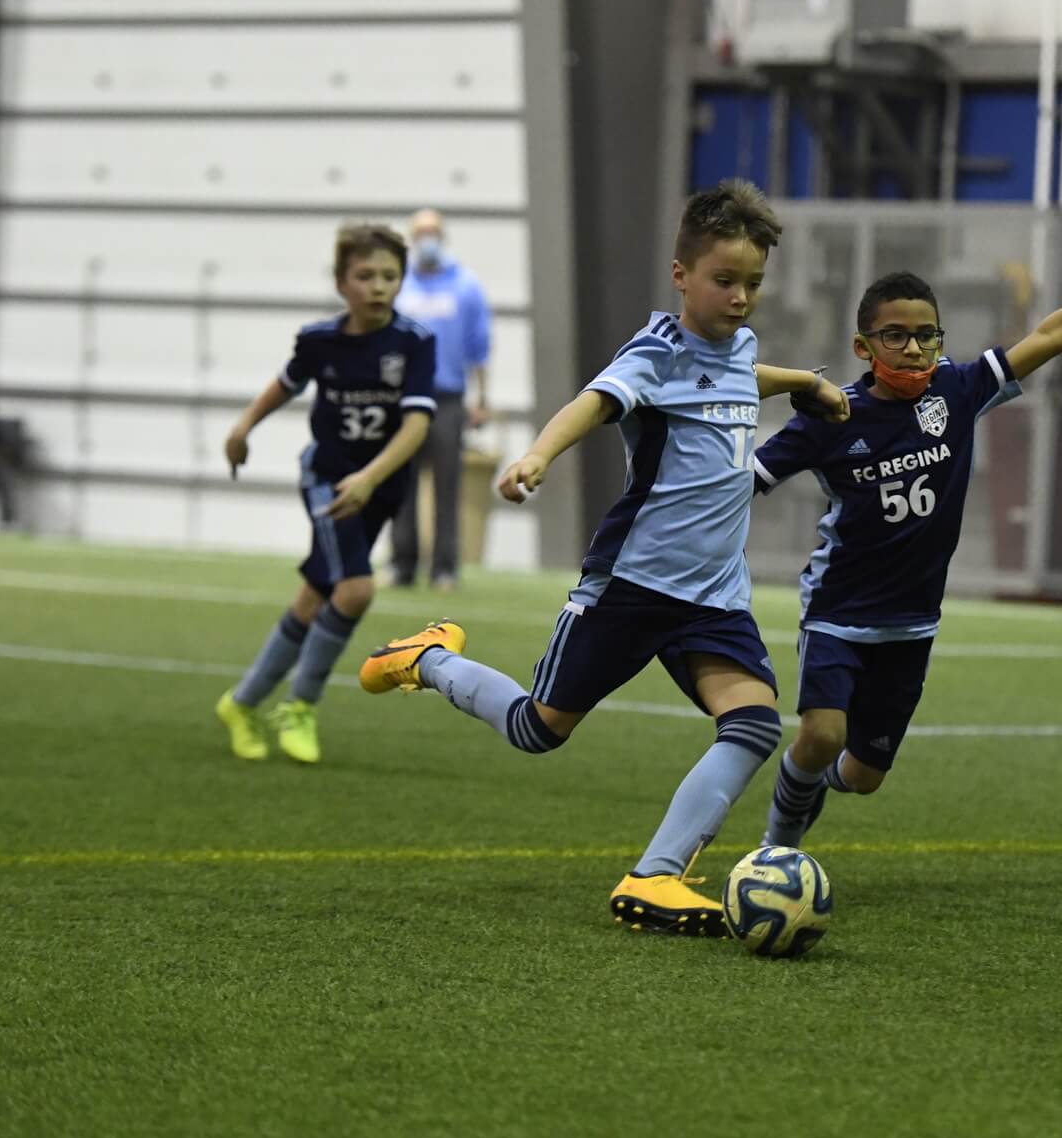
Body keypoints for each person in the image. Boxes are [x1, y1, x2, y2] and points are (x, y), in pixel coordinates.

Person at [357, 180, 849, 936]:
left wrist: (802, 384)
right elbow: (593, 400)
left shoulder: (738, 345)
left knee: (751, 725)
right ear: (682, 276)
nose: (741, 298)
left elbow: (738, 379)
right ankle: (429, 658)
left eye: (752, 284)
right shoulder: (653, 354)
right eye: (725, 281)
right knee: (537, 728)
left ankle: (655, 875)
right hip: (632, 585)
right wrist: (537, 454)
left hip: (713, 594)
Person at [749, 243, 1062, 847]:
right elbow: (746, 481)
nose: (913, 348)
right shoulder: (832, 416)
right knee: (820, 736)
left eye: (927, 335)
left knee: (865, 775)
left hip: (913, 622)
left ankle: (809, 787)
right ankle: (776, 850)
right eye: (894, 336)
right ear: (862, 347)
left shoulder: (957, 389)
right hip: (838, 612)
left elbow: (1052, 335)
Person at [212, 223, 435, 765]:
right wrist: (243, 428)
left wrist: (372, 478)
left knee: (315, 597)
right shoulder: (319, 341)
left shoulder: (414, 342)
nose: (379, 286)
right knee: (356, 590)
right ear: (342, 283)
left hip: (378, 486)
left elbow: (416, 425)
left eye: (389, 275)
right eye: (365, 276)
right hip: (328, 480)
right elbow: (283, 384)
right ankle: (300, 706)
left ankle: (241, 704)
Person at [390, 209, 491, 591]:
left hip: (448, 398)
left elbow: (479, 347)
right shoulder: (401, 285)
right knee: (401, 485)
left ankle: (445, 568)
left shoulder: (465, 285)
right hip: (404, 399)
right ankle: (402, 564)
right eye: (420, 232)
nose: (426, 238)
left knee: (448, 487)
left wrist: (482, 397)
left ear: (442, 237)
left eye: (432, 231)